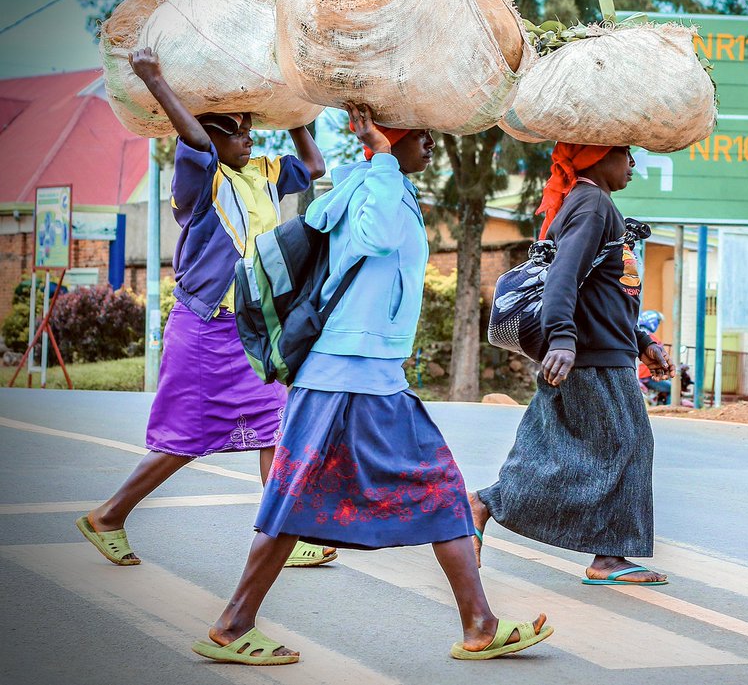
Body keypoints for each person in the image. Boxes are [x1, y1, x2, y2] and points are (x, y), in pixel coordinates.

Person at [192, 104, 552, 666]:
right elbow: (376, 239)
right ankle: (234, 624)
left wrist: (385, 161)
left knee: (439, 487)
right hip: (340, 374)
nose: (430, 144)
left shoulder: (384, 183)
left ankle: (479, 623)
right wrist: (381, 156)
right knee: (293, 500)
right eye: (419, 134)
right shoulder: (370, 184)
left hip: (375, 375)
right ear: (388, 136)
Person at [76, 47, 335, 569]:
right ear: (211, 136)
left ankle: (286, 530)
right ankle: (108, 516)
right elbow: (192, 139)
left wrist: (295, 116)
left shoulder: (261, 173)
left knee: (273, 425)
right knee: (184, 438)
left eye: (248, 129)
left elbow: (313, 165)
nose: (247, 138)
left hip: (250, 328)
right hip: (202, 327)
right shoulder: (198, 180)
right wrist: (154, 79)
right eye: (234, 130)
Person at [470, 143, 675, 586]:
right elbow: (564, 274)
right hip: (590, 357)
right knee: (628, 448)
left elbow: (602, 291)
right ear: (596, 157)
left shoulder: (593, 204)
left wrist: (641, 342)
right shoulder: (591, 203)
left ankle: (604, 554)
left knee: (561, 452)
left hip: (601, 351)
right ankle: (492, 506)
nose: (633, 164)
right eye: (625, 154)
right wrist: (562, 337)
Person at [636, 310, 672, 404]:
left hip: (638, 376)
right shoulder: (652, 340)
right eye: (658, 322)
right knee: (673, 389)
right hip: (648, 377)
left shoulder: (635, 335)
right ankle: (668, 410)